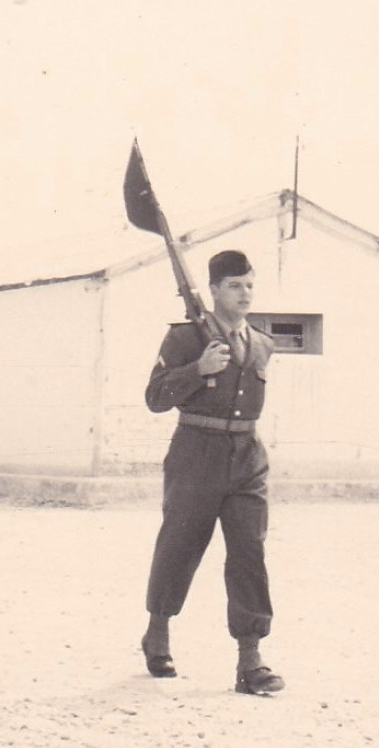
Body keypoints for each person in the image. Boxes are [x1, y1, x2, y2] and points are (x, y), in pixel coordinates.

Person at [141, 248, 282, 696]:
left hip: (246, 455)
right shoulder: (184, 339)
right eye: (236, 286)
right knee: (180, 545)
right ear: (215, 289)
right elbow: (156, 398)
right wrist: (196, 371)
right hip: (195, 452)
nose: (245, 294)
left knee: (249, 555)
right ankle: (158, 632)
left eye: (250, 285)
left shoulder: (262, 343)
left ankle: (250, 661)